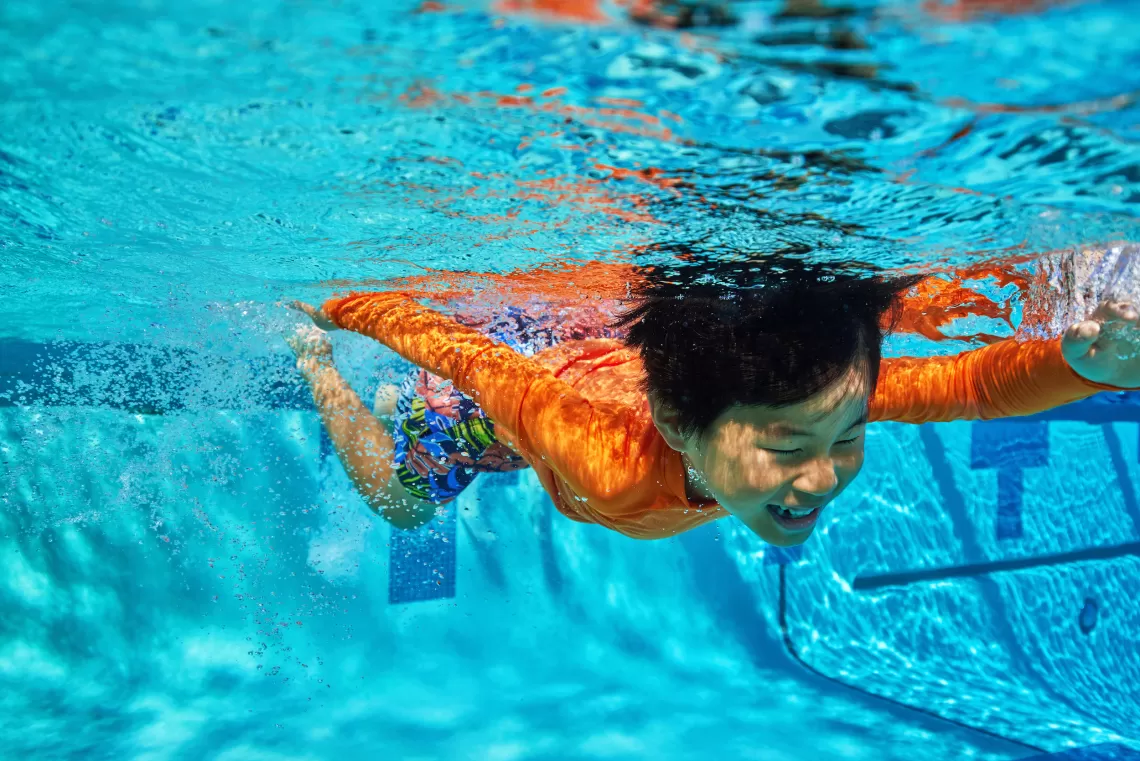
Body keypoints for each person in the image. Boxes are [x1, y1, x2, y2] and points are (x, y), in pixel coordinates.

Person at [286, 251, 1139, 547]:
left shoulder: (802, 403)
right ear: (679, 427)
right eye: (788, 446)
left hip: (603, 361)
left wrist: (1092, 362)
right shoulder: (606, 464)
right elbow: (471, 360)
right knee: (402, 505)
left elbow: (972, 384)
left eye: (847, 433)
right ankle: (314, 363)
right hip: (530, 395)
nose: (824, 475)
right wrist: (341, 307)